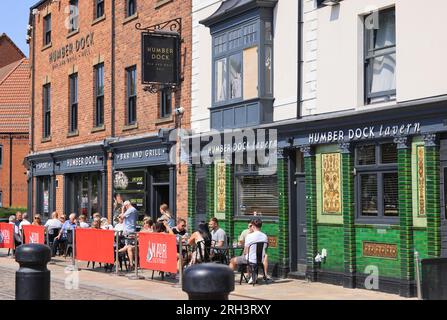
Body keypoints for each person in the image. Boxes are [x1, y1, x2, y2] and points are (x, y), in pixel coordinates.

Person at [229, 218, 268, 284]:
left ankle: (228, 279)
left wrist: (244, 255)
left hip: (250, 259)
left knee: (232, 260)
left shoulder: (249, 236)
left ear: (252, 226)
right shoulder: (265, 236)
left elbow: (245, 251)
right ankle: (253, 275)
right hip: (260, 260)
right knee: (249, 258)